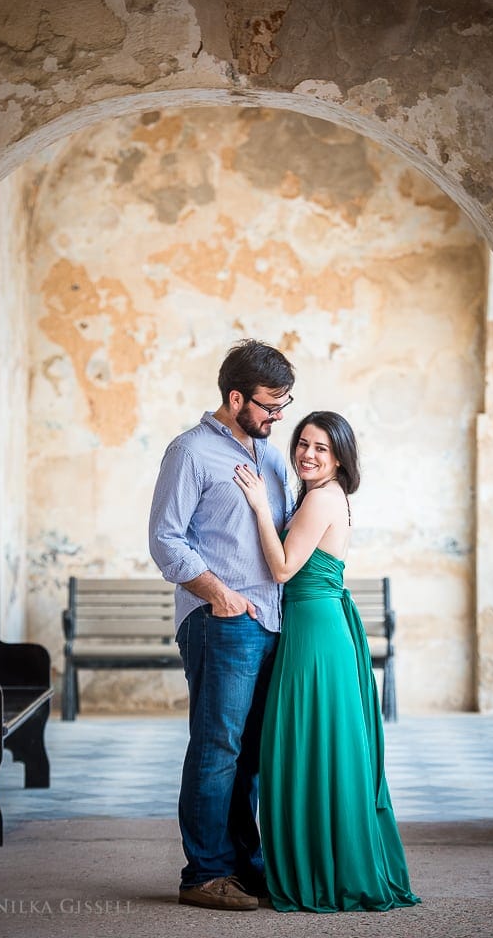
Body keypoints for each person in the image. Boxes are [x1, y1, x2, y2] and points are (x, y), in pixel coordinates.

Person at [234, 411, 420, 913]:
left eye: (321, 448)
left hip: (317, 632)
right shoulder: (317, 496)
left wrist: (255, 504)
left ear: (339, 457)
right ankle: (317, 859)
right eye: (303, 444)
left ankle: (324, 870)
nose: (308, 455)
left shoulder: (322, 496)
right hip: (315, 625)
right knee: (314, 743)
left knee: (312, 743)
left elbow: (282, 567)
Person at [148, 339, 296, 911]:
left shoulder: (272, 456)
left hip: (273, 624)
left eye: (284, 404)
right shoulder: (188, 452)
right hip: (222, 621)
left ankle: (243, 866)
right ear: (235, 398)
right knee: (217, 749)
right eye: (268, 405)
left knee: (252, 753)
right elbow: (166, 539)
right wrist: (221, 596)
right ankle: (203, 874)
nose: (277, 416)